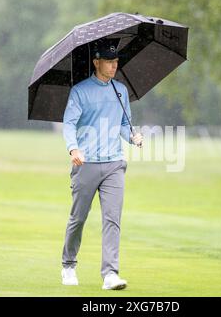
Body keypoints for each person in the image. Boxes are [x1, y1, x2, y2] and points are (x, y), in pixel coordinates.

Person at [61, 41, 143, 290]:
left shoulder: (120, 91)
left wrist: (133, 137)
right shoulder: (80, 91)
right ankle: (68, 264)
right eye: (109, 61)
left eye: (116, 61)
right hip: (86, 164)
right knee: (79, 217)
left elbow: (122, 125)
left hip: (114, 164)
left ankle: (110, 273)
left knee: (112, 219)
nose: (114, 65)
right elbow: (69, 124)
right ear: (97, 62)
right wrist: (73, 148)